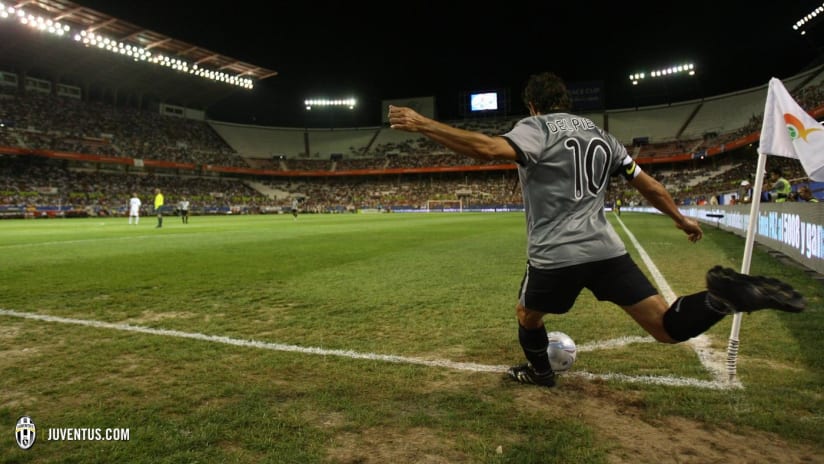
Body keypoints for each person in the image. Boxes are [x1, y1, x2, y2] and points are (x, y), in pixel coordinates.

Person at [388, 71, 806, 388]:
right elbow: (649, 185)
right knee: (664, 327)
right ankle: (719, 301)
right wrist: (680, 219)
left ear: (533, 106)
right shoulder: (604, 137)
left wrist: (425, 124)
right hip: (607, 250)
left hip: (556, 254)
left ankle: (540, 374)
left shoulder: (538, 128)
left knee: (527, 315)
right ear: (566, 101)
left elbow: (487, 149)